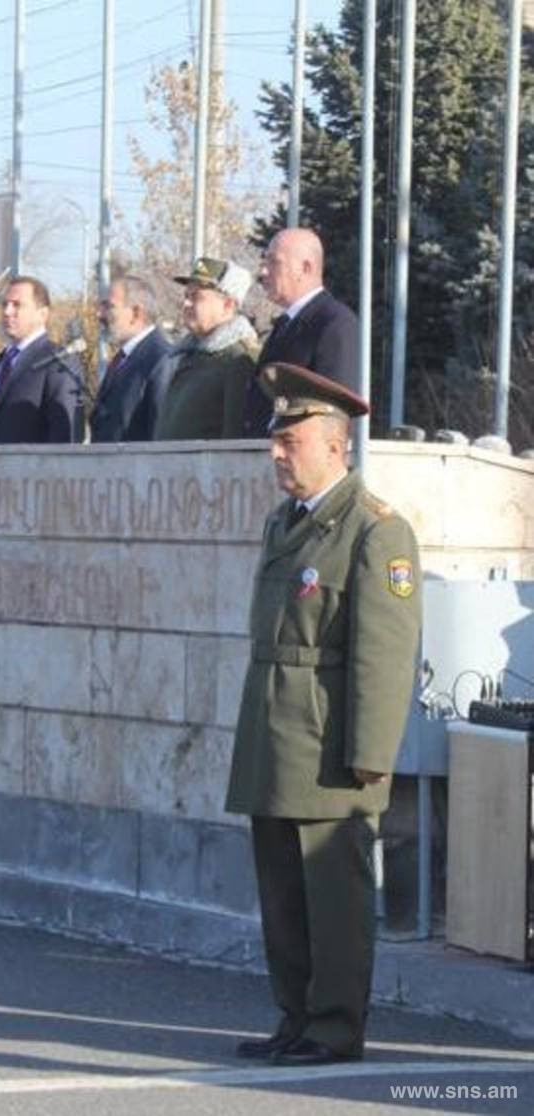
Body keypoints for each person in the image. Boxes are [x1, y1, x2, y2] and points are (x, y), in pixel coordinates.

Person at [226, 361, 422, 1067]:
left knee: (333, 903)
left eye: (293, 439)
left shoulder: (375, 533)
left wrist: (370, 756)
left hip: (331, 747)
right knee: (283, 899)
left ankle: (334, 1028)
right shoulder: (289, 522)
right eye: (275, 439)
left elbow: (384, 654)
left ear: (337, 444)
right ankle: (296, 1018)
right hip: (276, 739)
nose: (278, 451)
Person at [242, 227, 359, 436]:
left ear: (306, 268)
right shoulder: (285, 324)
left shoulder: (334, 323)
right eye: (264, 262)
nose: (263, 271)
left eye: (274, 262)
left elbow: (336, 413)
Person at [151, 257, 259, 440]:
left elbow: (233, 441)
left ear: (227, 305)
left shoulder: (238, 359)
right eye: (186, 296)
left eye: (196, 297)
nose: (186, 304)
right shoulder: (191, 355)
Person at [0, 276, 77, 444]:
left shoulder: (57, 362)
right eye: (5, 304)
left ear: (42, 314)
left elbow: (62, 432)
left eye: (17, 305)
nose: (7, 312)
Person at [90, 275, 171, 442]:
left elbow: (159, 434)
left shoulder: (160, 359)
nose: (99, 314)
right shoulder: (122, 358)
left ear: (136, 312)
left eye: (109, 306)